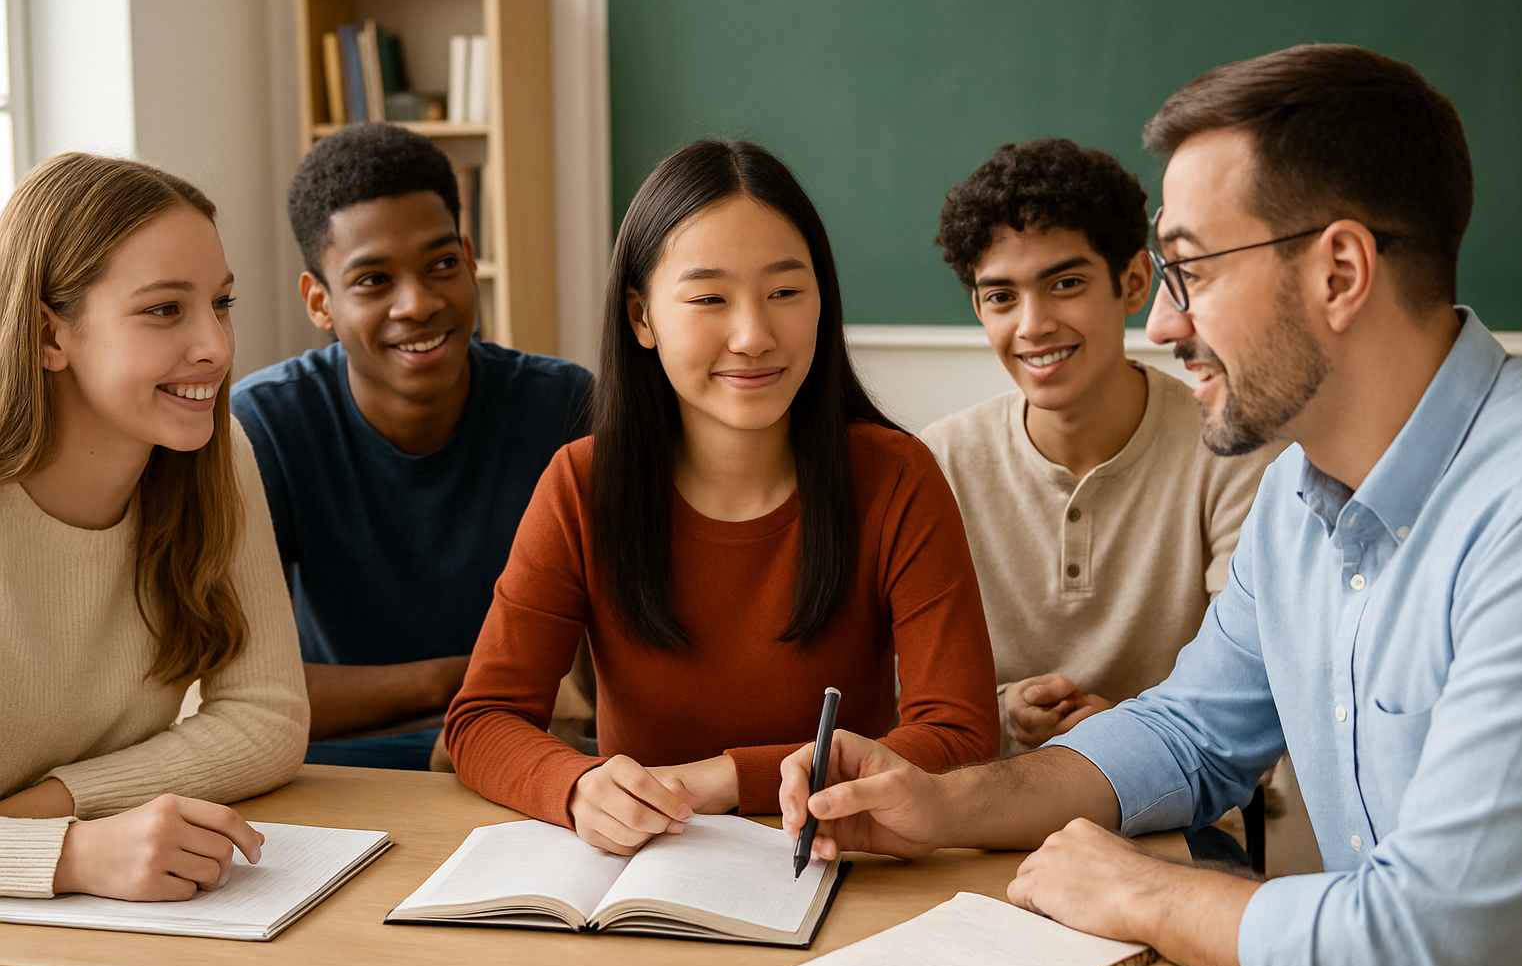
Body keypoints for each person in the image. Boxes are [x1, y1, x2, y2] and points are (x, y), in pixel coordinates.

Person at [781, 44, 1522, 966]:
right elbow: (1186, 734)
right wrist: (943, 802)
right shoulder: (1296, 503)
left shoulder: (1520, 516)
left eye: (1192, 272)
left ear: (1340, 272)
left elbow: (1438, 945)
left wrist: (1141, 892)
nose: (1167, 325)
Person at [446, 140, 999, 854]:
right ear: (641, 318)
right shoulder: (582, 484)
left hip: (841, 867)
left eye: (785, 293)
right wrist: (576, 786)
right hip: (642, 882)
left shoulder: (898, 477)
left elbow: (960, 738)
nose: (753, 335)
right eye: (710, 298)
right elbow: (483, 718)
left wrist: (726, 781)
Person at [232, 123, 593, 770]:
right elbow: (242, 694)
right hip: (348, 773)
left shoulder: (562, 407)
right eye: (373, 280)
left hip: (527, 757)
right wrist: (462, 682)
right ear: (320, 302)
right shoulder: (266, 426)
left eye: (442, 265)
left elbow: (607, 665)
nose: (419, 303)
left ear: (470, 256)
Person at [0, 153, 308, 900]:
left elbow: (267, 718)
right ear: (49, 335)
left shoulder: (212, 455)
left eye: (222, 303)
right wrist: (67, 857)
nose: (217, 347)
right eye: (165, 309)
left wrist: (52, 810)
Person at [922, 139, 1277, 757]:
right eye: (1002, 297)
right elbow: (905, 688)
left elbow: (1249, 690)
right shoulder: (936, 463)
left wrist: (1125, 730)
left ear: (1134, 281)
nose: (1032, 325)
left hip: (1177, 809)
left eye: (1064, 283)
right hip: (978, 816)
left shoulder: (1231, 451)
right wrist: (1003, 710)